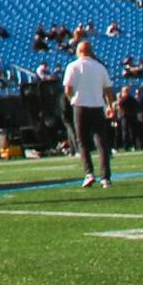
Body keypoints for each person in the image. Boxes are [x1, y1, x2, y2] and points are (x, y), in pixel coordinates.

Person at [61, 41, 113, 189]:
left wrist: (72, 99)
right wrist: (110, 106)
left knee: (82, 141)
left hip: (80, 107)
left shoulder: (73, 66)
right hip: (97, 106)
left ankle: (89, 172)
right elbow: (108, 89)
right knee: (101, 142)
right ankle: (106, 177)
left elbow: (68, 88)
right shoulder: (100, 67)